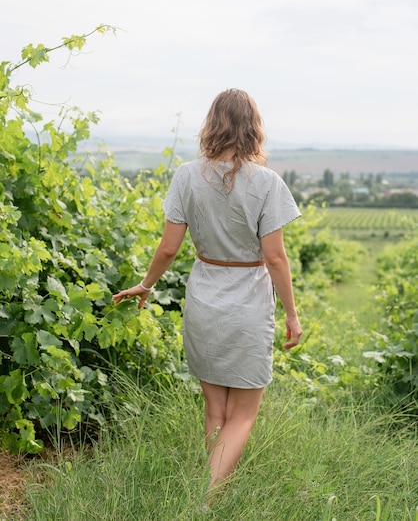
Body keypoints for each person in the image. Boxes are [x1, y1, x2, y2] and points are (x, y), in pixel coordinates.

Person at [112, 88, 302, 499]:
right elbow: (275, 258)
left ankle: (209, 494)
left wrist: (146, 285)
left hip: (204, 300)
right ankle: (205, 499)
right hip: (248, 305)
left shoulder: (186, 175)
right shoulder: (267, 183)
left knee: (215, 411)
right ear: (253, 128)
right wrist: (291, 314)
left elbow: (167, 248)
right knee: (244, 415)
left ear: (212, 124)